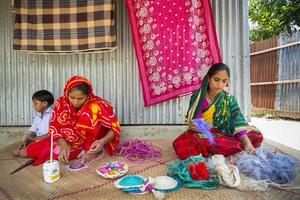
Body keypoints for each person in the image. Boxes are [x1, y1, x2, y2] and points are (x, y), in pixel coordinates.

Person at [15, 76, 120, 165]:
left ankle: (89, 151)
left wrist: (101, 142)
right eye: (72, 97)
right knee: (22, 153)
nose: (75, 102)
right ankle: (75, 151)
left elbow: (113, 130)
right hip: (64, 141)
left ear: (88, 96)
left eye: (80, 98)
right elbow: (55, 127)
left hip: (91, 144)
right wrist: (63, 144)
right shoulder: (62, 103)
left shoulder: (97, 105)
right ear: (67, 93)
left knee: (63, 156)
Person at [173, 63, 263, 160]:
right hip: (206, 134)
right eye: (216, 80)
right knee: (197, 141)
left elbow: (237, 121)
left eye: (224, 81)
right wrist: (200, 126)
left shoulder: (228, 99)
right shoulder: (198, 97)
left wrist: (247, 142)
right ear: (208, 78)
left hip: (225, 132)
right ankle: (234, 148)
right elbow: (196, 124)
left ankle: (234, 147)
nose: (220, 85)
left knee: (256, 135)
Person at [13, 90, 54, 156]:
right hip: (36, 140)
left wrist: (34, 139)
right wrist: (27, 140)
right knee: (15, 152)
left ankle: (36, 151)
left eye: (35, 103)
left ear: (44, 104)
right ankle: (32, 148)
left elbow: (52, 134)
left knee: (23, 153)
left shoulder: (52, 115)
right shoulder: (37, 115)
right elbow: (33, 131)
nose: (33, 106)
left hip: (47, 141)